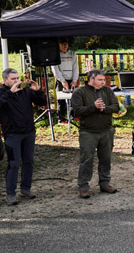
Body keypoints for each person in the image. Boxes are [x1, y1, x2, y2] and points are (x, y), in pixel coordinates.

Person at [71, 70, 120, 198]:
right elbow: (77, 111)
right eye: (100, 80)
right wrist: (93, 107)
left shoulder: (107, 91)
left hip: (106, 130)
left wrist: (104, 109)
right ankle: (83, 186)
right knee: (86, 160)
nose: (103, 82)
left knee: (106, 158)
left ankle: (105, 183)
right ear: (91, 79)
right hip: (88, 132)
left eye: (103, 80)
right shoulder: (79, 92)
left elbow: (116, 106)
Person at [0, 68, 45, 205]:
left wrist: (37, 90)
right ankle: (10, 194)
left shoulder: (25, 90)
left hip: (28, 131)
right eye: (13, 79)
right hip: (12, 133)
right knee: (13, 164)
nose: (16, 81)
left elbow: (42, 102)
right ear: (5, 80)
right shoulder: (2, 92)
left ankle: (26, 188)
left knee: (29, 161)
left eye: (17, 78)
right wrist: (10, 93)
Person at [51, 39, 78, 122]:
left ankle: (73, 117)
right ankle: (61, 119)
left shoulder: (72, 54)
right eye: (63, 44)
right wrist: (62, 81)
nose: (65, 45)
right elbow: (55, 69)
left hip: (71, 79)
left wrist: (74, 80)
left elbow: (75, 68)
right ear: (59, 45)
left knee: (74, 98)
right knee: (61, 100)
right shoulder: (55, 54)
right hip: (60, 80)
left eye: (66, 44)